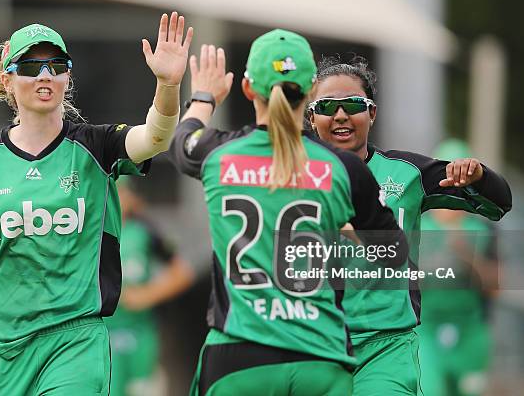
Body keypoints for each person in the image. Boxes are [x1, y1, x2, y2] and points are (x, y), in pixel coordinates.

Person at [0, 12, 193, 395]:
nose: (45, 76)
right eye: (31, 66)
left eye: (56, 66)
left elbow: (155, 137)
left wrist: (168, 84)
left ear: (68, 77)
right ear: (8, 79)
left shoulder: (95, 145)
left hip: (75, 338)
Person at [169, 30, 409, 396]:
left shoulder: (219, 153)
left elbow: (182, 142)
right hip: (320, 359)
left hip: (238, 359)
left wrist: (204, 96)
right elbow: (395, 255)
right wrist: (342, 234)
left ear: (248, 88)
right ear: (312, 90)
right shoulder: (343, 168)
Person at [307, 56, 512, 395]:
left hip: (386, 346)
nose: (340, 115)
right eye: (327, 105)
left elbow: (499, 202)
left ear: (371, 113)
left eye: (353, 104)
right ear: (312, 117)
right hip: (313, 343)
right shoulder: (289, 173)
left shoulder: (406, 174)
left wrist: (479, 175)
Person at [417, 139, 498, 396]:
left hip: (470, 333)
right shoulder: (416, 225)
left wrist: (467, 256)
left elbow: (494, 287)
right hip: (426, 331)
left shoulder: (483, 230)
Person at [103, 178, 194, 396]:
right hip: (102, 332)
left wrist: (147, 295)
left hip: (139, 331)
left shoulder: (144, 231)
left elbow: (182, 271)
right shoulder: (87, 231)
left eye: (121, 192)